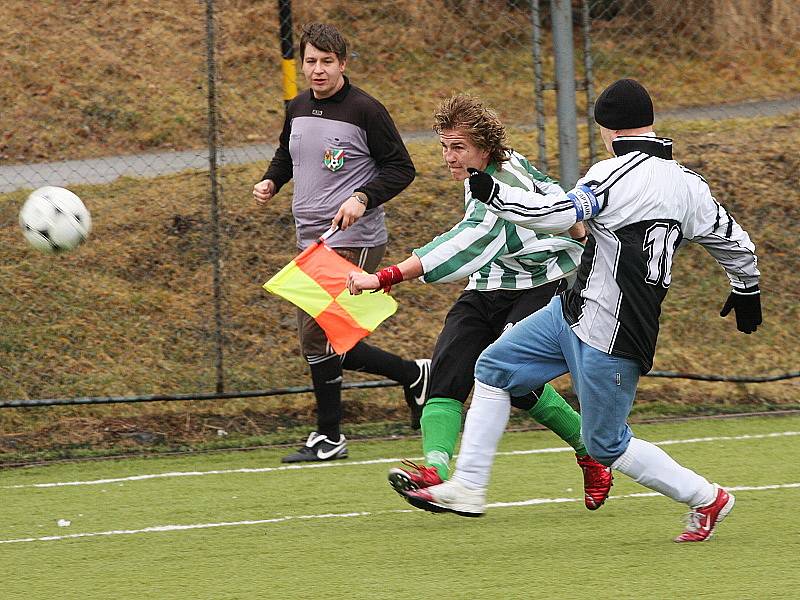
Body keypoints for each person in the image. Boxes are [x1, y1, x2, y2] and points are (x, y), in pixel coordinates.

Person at [403, 79, 761, 543]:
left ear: (605, 129)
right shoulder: (690, 185)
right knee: (492, 367)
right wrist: (746, 288)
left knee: (606, 444)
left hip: (610, 331)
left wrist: (496, 197)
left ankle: (707, 497)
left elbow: (558, 213)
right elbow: (732, 240)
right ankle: (469, 487)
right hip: (572, 311)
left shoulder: (611, 173)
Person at [347, 93, 613, 510]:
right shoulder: (492, 169)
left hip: (539, 284)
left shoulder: (500, 185)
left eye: (458, 148)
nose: (449, 157)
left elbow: (466, 241)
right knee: (448, 372)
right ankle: (435, 470)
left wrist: (385, 276)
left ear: (485, 150)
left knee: (512, 378)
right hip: (487, 284)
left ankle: (588, 449)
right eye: (444, 146)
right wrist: (575, 225)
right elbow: (549, 189)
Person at [253, 22, 430, 463]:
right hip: (311, 240)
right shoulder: (296, 107)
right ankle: (413, 375)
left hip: (355, 238)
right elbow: (286, 154)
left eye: (326, 62)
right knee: (331, 339)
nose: (318, 70)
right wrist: (272, 180)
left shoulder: (366, 110)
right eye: (310, 61)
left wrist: (361, 197)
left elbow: (401, 168)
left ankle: (330, 437)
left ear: (343, 64)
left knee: (317, 336)